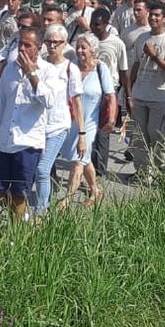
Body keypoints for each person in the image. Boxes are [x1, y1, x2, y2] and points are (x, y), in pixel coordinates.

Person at [0, 26, 58, 220]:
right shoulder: (10, 69)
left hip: (28, 143)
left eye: (27, 45)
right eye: (20, 44)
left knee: (19, 193)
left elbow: (49, 101)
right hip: (4, 141)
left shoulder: (48, 71)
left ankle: (18, 229)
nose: (22, 49)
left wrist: (32, 74)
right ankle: (23, 219)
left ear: (38, 48)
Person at [128, 2, 165, 184]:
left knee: (156, 135)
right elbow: (136, 65)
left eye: (157, 15)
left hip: (160, 95)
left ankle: (162, 173)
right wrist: (129, 92)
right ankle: (143, 172)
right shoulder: (142, 38)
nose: (153, 18)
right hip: (140, 94)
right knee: (139, 136)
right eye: (151, 14)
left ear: (164, 18)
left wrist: (154, 56)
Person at [58, 33, 110, 208]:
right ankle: (96, 190)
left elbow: (110, 94)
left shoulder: (101, 69)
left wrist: (111, 119)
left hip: (91, 121)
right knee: (84, 157)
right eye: (78, 47)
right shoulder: (71, 67)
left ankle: (66, 200)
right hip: (72, 120)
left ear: (93, 50)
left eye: (84, 47)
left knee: (78, 159)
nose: (79, 50)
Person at [36, 24, 83, 215]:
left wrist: (82, 134)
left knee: (42, 169)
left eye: (56, 42)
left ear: (64, 44)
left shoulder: (71, 68)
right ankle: (43, 202)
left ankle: (41, 212)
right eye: (48, 42)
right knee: (39, 170)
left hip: (58, 125)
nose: (52, 46)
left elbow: (77, 102)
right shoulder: (39, 64)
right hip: (38, 125)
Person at [90, 8, 129, 177]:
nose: (94, 27)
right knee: (89, 130)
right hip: (89, 90)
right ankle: (88, 166)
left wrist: (128, 95)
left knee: (103, 132)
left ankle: (99, 170)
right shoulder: (88, 40)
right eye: (92, 24)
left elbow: (123, 70)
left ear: (106, 24)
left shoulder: (117, 43)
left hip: (108, 91)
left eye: (97, 25)